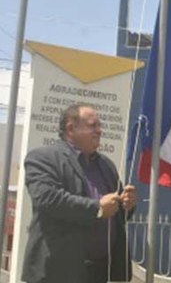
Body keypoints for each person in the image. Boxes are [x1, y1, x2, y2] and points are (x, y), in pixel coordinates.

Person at [22, 104, 136, 283]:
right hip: (58, 272)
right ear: (70, 129)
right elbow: (48, 199)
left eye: (99, 125)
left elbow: (114, 211)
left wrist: (126, 204)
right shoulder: (42, 158)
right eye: (92, 125)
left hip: (99, 272)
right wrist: (97, 208)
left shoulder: (106, 165)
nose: (99, 131)